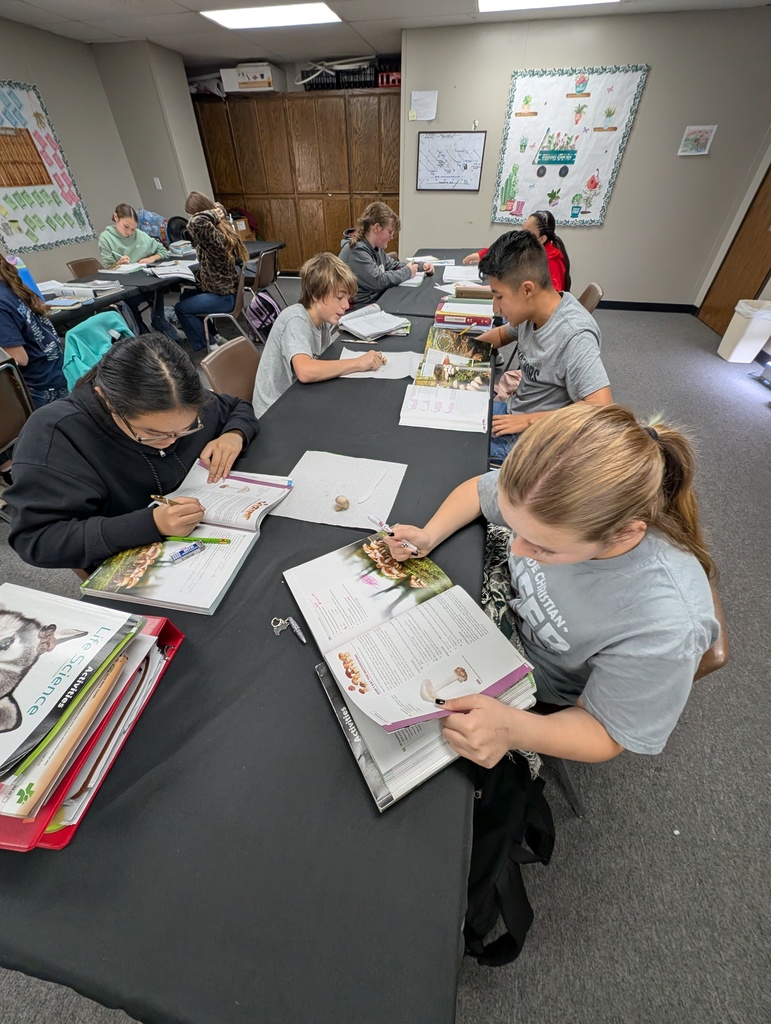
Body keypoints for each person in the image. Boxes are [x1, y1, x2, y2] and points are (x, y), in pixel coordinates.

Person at [383, 403, 720, 765]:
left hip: (534, 673)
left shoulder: (665, 625)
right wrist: (429, 535)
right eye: (515, 527)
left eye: (543, 547)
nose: (517, 549)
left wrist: (513, 729)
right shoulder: (545, 490)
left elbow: (606, 733)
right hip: (497, 607)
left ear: (623, 534)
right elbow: (479, 493)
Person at [5, 333, 259, 570]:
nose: (170, 441)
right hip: (138, 562)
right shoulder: (56, 434)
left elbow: (236, 407)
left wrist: (234, 434)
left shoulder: (176, 396)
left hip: (213, 533)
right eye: (152, 433)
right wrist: (151, 523)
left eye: (186, 429)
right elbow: (36, 540)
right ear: (106, 400)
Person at [474, 230, 611, 465]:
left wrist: (527, 421)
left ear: (527, 290)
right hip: (515, 412)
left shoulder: (574, 335)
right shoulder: (533, 311)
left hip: (535, 439)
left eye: (499, 297)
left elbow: (602, 409)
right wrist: (460, 350)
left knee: (453, 442)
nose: (496, 308)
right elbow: (501, 334)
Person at [252, 252, 384, 417]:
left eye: (347, 298)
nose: (346, 305)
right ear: (316, 295)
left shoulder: (323, 320)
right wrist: (358, 363)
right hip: (273, 411)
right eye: (339, 297)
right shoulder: (296, 320)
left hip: (297, 397)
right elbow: (305, 371)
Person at [0, 255, 68, 483]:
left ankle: (10, 467)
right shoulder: (9, 285)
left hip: (39, 389)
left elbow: (19, 358)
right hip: (56, 375)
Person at [175, 191, 247, 352]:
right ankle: (215, 336)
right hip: (227, 291)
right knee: (185, 297)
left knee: (181, 309)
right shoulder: (221, 228)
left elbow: (195, 222)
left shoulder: (212, 234)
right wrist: (216, 211)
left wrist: (213, 212)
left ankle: (208, 346)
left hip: (223, 297)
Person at [98, 203, 178, 338]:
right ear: (116, 218)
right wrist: (118, 263)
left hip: (143, 280)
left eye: (133, 229)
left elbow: (163, 251)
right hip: (126, 285)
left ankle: (160, 322)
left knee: (158, 289)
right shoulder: (106, 238)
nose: (129, 232)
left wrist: (152, 258)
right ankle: (143, 335)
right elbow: (108, 267)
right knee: (128, 303)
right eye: (126, 227)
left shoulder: (140, 235)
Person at [339, 202, 434, 308]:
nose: (391, 237)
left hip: (376, 301)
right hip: (361, 308)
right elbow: (379, 281)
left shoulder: (375, 247)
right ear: (376, 228)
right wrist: (407, 271)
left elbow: (393, 266)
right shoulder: (356, 251)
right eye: (390, 232)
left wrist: (419, 265)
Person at [463, 210, 572, 292]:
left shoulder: (552, 260)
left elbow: (553, 297)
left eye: (527, 233)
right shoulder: (531, 246)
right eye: (523, 230)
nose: (523, 236)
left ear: (542, 239)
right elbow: (509, 249)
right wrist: (483, 255)